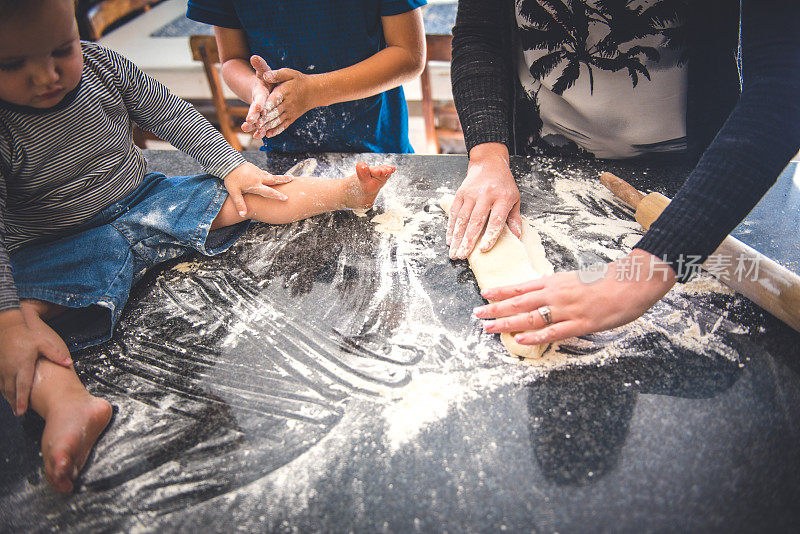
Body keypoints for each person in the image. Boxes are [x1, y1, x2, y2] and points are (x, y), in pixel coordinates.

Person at [0, 0, 395, 493]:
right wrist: (10, 319)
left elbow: (171, 115)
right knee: (14, 330)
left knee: (250, 191)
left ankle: (346, 193)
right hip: (58, 246)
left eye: (62, 50)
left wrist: (229, 166)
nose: (45, 76)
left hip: (147, 203)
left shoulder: (103, 66)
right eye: (12, 64)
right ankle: (68, 403)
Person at [448, 0, 800, 345]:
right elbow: (480, 32)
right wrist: (489, 154)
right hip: (542, 148)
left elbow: (781, 85)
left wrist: (641, 275)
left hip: (709, 174)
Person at [187, 0, 427, 153]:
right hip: (285, 152)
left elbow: (408, 55)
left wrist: (314, 91)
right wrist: (255, 89)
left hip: (378, 144)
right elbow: (232, 59)